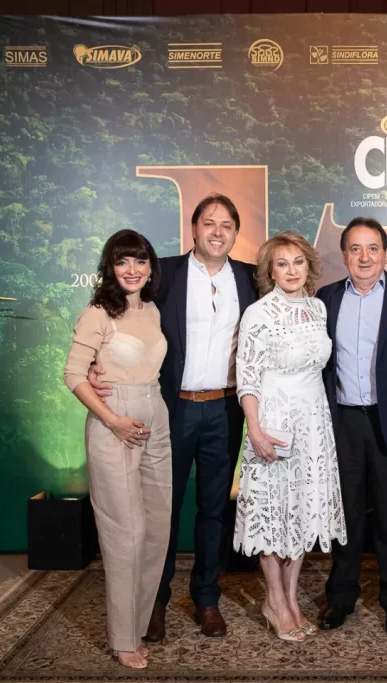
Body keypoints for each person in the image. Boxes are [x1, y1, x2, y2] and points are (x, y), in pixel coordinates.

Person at [88, 194, 256, 640]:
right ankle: (155, 602)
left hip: (225, 408)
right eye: (209, 223)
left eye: (226, 225)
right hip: (171, 408)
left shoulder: (249, 278)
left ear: (236, 234)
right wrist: (95, 363)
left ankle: (207, 598)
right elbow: (118, 313)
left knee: (215, 508)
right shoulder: (163, 272)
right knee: (162, 509)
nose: (217, 232)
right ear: (193, 229)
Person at [315, 217, 387, 637]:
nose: (364, 257)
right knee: (344, 517)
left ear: (385, 253)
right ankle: (340, 598)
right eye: (355, 248)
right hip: (343, 422)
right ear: (345, 254)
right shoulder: (325, 298)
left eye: (373, 248)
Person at [63, 230, 171, 669]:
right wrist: (113, 419)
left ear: (150, 267)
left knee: (158, 528)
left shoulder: (153, 311)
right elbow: (73, 374)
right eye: (122, 261)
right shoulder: (97, 313)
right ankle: (123, 639)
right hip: (115, 425)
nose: (132, 269)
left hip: (155, 416)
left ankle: (139, 624)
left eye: (139, 261)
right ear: (110, 267)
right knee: (126, 534)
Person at [233, 231, 347, 641]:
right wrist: (255, 429)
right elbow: (247, 378)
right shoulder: (258, 314)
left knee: (300, 511)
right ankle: (275, 601)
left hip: (313, 424)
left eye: (298, 262)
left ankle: (292, 599)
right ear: (270, 271)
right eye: (282, 263)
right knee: (272, 513)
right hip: (273, 423)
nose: (292, 270)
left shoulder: (318, 308)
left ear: (309, 266)